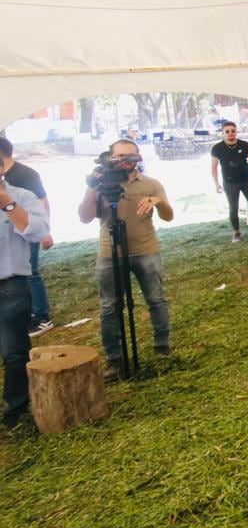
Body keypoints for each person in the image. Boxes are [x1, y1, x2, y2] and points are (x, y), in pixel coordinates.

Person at [78, 139, 173, 379]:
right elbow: (84, 217)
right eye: (120, 156)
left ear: (139, 157)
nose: (125, 161)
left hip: (146, 250)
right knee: (110, 306)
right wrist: (93, 188)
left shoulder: (151, 184)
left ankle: (162, 346)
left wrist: (157, 201)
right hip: (110, 253)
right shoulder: (102, 185)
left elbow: (169, 216)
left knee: (156, 299)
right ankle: (114, 359)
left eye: (130, 156)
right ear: (110, 157)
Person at [0, 169, 50, 427]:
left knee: (15, 352)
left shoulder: (22, 196)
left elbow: (38, 231)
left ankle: (16, 411)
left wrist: (7, 203)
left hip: (11, 284)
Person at [0, 139, 55, 336]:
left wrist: (46, 233)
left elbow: (42, 200)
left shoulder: (25, 174)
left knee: (30, 272)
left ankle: (41, 315)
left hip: (24, 231)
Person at [209, 122, 248, 243]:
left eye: (233, 131)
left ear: (236, 132)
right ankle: (236, 232)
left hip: (247, 180)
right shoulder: (217, 148)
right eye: (227, 131)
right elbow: (214, 167)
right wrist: (216, 183)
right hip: (230, 183)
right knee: (233, 208)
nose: (230, 134)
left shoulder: (244, 144)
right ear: (222, 133)